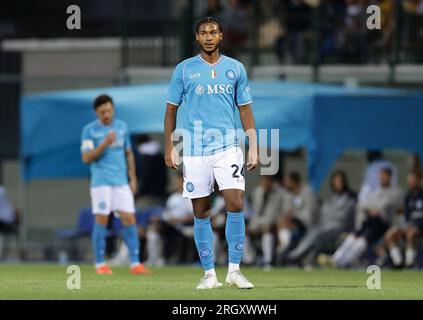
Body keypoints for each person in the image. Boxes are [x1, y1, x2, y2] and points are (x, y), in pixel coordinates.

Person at [164, 17, 258, 289]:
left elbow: (245, 109)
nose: (208, 37)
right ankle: (209, 275)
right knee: (201, 211)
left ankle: (235, 270)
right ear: (197, 37)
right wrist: (170, 146)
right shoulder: (184, 70)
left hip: (228, 146)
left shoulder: (235, 69)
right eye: (203, 33)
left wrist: (253, 146)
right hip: (194, 150)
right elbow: (171, 110)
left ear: (221, 36)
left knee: (236, 203)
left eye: (213, 32)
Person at [81, 94, 151, 275]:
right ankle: (100, 264)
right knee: (102, 220)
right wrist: (104, 143)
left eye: (109, 110)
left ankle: (136, 263)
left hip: (121, 182)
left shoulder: (121, 127)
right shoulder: (89, 130)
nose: (106, 114)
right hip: (101, 183)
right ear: (96, 112)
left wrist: (133, 179)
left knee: (130, 219)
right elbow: (86, 158)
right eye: (102, 112)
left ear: (113, 109)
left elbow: (128, 154)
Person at [321, 167, 402, 268]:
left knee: (362, 240)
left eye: (384, 176)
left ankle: (342, 263)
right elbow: (362, 205)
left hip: (383, 224)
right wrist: (370, 209)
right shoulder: (376, 191)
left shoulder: (395, 192)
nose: (381, 178)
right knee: (353, 236)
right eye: (380, 176)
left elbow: (387, 207)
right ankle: (335, 259)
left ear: (390, 177)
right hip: (370, 221)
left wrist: (376, 210)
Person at [288, 169, 356, 265]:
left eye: (340, 181)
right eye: (336, 181)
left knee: (316, 233)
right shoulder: (332, 199)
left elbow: (343, 217)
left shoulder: (350, 199)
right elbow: (324, 213)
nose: (338, 184)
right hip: (325, 227)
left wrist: (330, 216)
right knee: (313, 230)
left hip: (338, 229)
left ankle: (295, 256)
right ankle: (304, 259)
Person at [385, 171, 423, 268]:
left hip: (422, 227)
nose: (411, 185)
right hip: (409, 226)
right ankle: (398, 262)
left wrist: (417, 225)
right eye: (409, 183)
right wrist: (406, 224)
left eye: (413, 182)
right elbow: (407, 216)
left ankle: (409, 262)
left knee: (411, 233)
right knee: (390, 234)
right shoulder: (408, 197)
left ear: (418, 182)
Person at [248, 175, 293, 269]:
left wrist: (274, 223)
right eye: (263, 180)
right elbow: (254, 212)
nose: (265, 182)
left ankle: (267, 261)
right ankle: (249, 260)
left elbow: (283, 211)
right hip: (257, 222)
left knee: (268, 231)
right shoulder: (257, 191)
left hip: (272, 222)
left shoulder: (280, 192)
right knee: (243, 232)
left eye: (267, 180)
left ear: (271, 181)